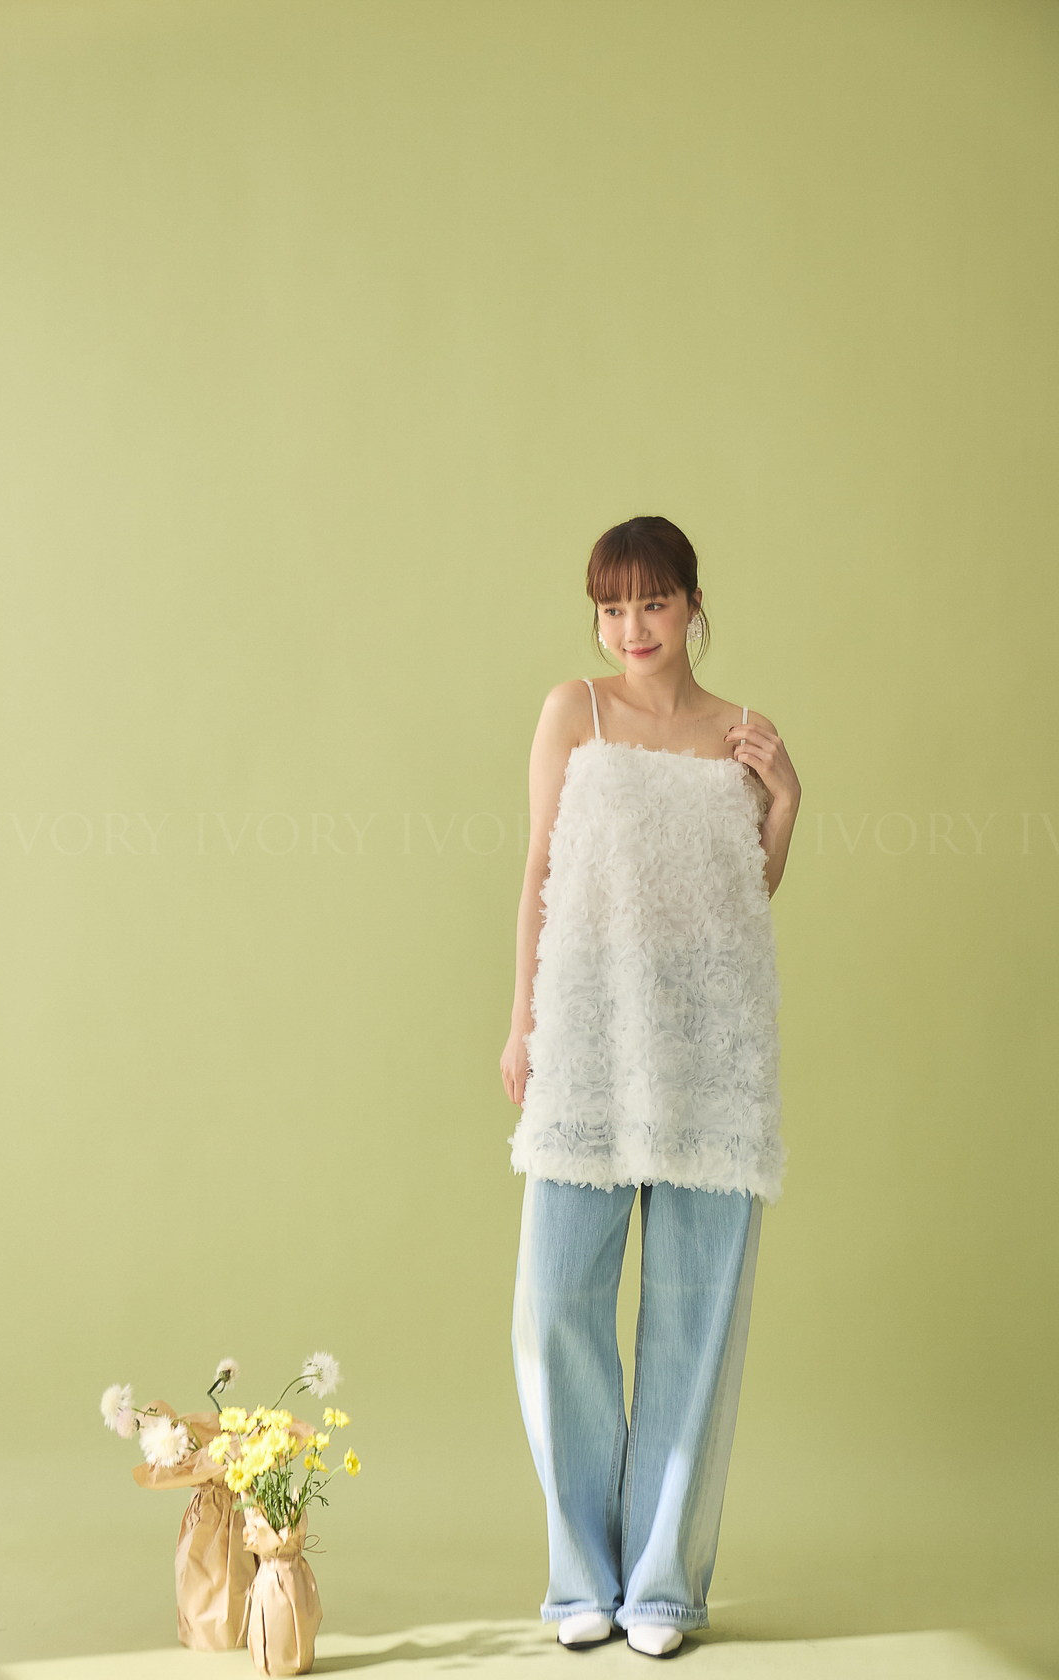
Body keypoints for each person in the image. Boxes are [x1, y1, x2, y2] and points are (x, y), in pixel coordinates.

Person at [500, 516, 801, 1657]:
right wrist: (521, 1022)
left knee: (694, 1323)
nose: (632, 628)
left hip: (711, 1050)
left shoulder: (738, 732)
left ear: (692, 604)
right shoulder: (571, 712)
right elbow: (538, 869)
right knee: (555, 1308)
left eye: (653, 603)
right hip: (587, 1039)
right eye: (612, 608)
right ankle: (582, 1576)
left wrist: (785, 801)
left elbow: (743, 892)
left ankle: (662, 1588)